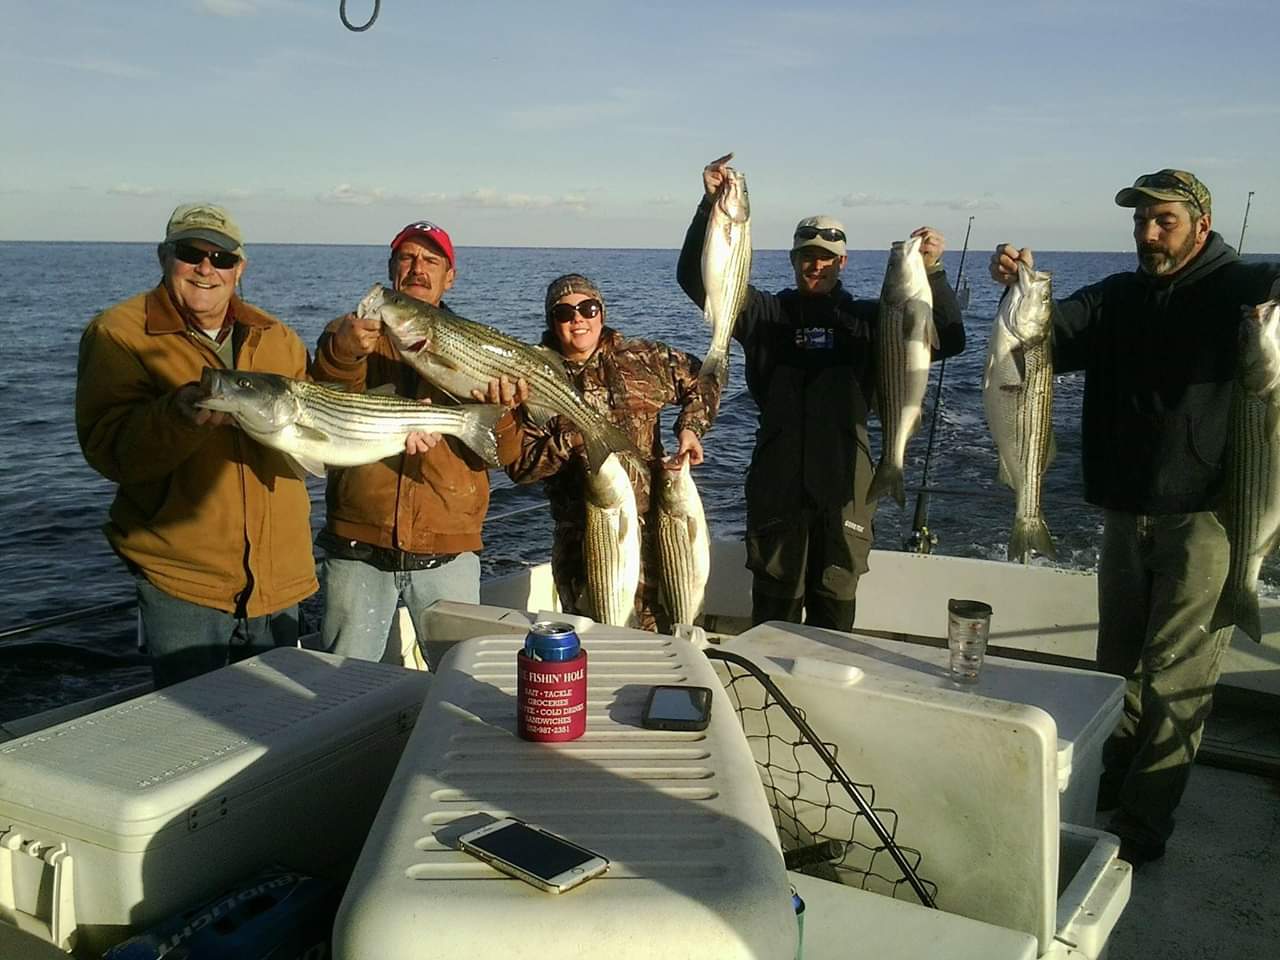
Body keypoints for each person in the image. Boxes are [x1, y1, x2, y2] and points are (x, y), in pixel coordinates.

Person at [989, 169, 1280, 867]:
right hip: (1124, 512)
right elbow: (1044, 336)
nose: (1148, 235)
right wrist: (1018, 284)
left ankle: (1145, 823)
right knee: (1117, 666)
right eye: (1141, 222)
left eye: (1164, 222)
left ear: (1201, 225)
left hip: (1208, 517)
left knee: (1178, 672)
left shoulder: (1239, 288)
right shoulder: (1118, 296)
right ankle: (1111, 779)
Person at [677, 155, 965, 632]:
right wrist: (709, 208)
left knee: (835, 601)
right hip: (777, 483)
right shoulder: (763, 313)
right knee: (775, 605)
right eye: (807, 257)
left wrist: (932, 272)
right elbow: (696, 279)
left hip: (847, 483)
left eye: (826, 259)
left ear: (842, 262)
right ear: (793, 260)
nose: (816, 266)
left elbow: (949, 339)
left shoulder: (874, 320)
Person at [75, 203, 317, 687]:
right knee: (193, 729)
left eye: (222, 258)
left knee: (285, 727)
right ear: (163, 256)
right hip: (183, 581)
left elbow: (315, 434)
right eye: (191, 253)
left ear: (240, 268)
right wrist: (176, 416)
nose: (207, 268)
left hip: (280, 578)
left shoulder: (279, 338)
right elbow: (108, 449)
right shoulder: (118, 335)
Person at [310, 220, 526, 664]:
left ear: (451, 276)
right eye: (407, 257)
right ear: (391, 268)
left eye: (431, 260)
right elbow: (322, 408)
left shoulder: (478, 348)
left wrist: (502, 413)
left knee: (462, 682)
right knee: (343, 686)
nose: (417, 268)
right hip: (357, 547)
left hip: (448, 549)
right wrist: (344, 352)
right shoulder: (348, 334)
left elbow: (505, 455)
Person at [507, 274, 713, 631]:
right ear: (551, 322)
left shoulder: (644, 359)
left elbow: (707, 377)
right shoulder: (533, 379)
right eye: (564, 312)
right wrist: (569, 441)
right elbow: (520, 466)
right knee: (600, 649)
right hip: (585, 550)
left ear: (601, 312)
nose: (578, 319)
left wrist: (691, 428)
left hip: (660, 539)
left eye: (587, 308)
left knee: (667, 643)